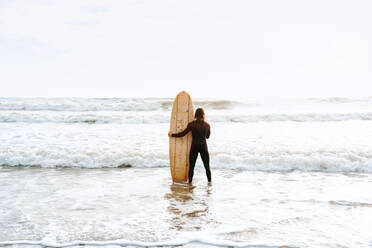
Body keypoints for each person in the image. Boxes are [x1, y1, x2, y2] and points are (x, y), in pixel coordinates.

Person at [168, 108, 211, 184]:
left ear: (195, 115)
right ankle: (209, 183)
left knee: (192, 167)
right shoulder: (207, 125)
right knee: (207, 167)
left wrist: (172, 135)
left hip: (194, 147)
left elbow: (183, 134)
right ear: (203, 115)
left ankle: (190, 184)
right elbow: (207, 137)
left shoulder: (191, 124)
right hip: (203, 147)